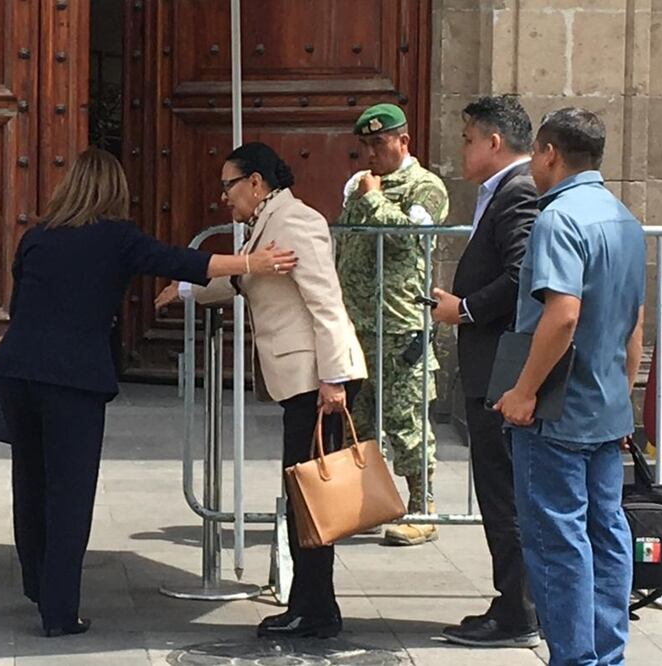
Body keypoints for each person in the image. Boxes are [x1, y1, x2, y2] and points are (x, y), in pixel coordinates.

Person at [0, 148, 297, 637]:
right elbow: (180, 260)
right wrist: (251, 262)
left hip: (18, 373)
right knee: (70, 493)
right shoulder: (117, 238)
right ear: (115, 191)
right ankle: (59, 610)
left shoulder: (36, 237)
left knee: (29, 485)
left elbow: (22, 294)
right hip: (73, 380)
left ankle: (37, 585)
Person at [159, 142, 367, 639]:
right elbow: (245, 280)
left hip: (318, 381)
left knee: (311, 499)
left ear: (256, 182)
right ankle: (314, 606)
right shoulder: (268, 223)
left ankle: (314, 610)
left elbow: (325, 300)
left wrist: (334, 378)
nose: (224, 197)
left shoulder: (296, 220)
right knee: (304, 497)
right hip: (303, 380)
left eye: (229, 185)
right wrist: (186, 289)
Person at [494, 107, 645, 666]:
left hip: (555, 412)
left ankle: (576, 659)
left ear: (549, 152)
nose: (533, 165)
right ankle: (606, 656)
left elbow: (561, 315)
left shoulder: (558, 219)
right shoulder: (623, 218)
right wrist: (624, 396)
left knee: (558, 543)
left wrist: (524, 392)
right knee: (605, 535)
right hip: (604, 408)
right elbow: (635, 322)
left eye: (535, 154)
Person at [430, 95, 539, 648]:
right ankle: (512, 600)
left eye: (469, 138)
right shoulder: (502, 192)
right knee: (498, 488)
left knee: (503, 491)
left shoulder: (518, 192)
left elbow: (523, 276)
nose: (462, 148)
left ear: (494, 142)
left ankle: (519, 611)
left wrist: (465, 309)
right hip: (491, 366)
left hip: (501, 369)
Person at [335, 103, 448, 546]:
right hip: (357, 323)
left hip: (400, 326)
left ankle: (423, 508)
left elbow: (409, 235)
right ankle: (367, 504)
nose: (370, 153)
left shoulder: (426, 187)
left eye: (378, 143)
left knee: (406, 423)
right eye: (365, 145)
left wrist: (373, 197)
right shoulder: (359, 187)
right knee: (357, 423)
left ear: (403, 141)